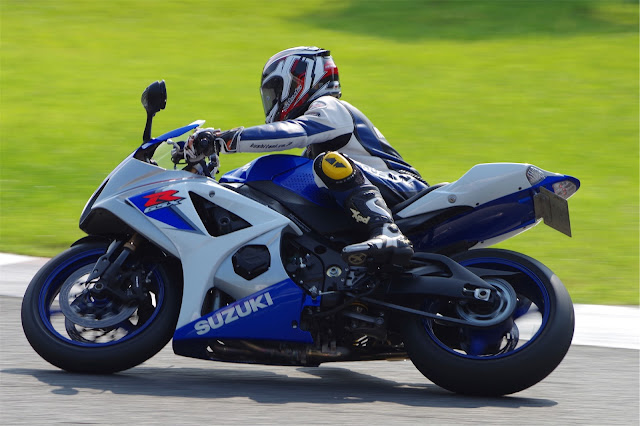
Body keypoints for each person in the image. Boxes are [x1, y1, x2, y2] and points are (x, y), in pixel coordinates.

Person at [185, 46, 428, 266]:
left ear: (299, 81)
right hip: (377, 190)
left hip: (406, 187)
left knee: (328, 163)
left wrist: (225, 140)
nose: (272, 100)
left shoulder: (330, 107)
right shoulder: (314, 146)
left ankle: (388, 232)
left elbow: (295, 131)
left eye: (275, 90)